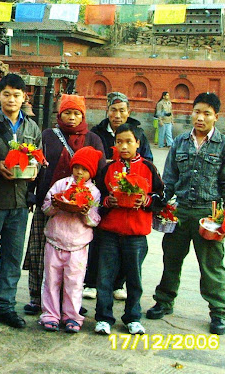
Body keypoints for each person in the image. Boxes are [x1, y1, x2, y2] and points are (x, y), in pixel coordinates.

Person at [146, 93, 225, 336]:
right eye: (197, 111)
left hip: (208, 215)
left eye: (207, 113)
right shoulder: (179, 143)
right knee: (171, 259)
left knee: (212, 266)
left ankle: (218, 312)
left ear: (216, 117)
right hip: (180, 212)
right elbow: (169, 179)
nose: (200, 117)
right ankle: (164, 301)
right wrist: (162, 204)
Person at [23, 94, 106, 316]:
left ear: (83, 116)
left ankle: (71, 301)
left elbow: (101, 172)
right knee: (41, 254)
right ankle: (36, 298)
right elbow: (37, 164)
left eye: (76, 113)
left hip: (80, 211)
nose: (71, 117)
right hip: (49, 203)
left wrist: (91, 204)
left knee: (74, 261)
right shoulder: (48, 136)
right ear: (59, 115)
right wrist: (32, 195)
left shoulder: (93, 139)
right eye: (67, 113)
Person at [0, 73, 42, 331]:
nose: (11, 99)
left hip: (19, 203)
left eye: (17, 95)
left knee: (12, 258)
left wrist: (34, 172)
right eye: (6, 94)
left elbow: (37, 160)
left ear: (25, 97)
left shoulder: (32, 128)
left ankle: (5, 305)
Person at [94, 123, 164, 336]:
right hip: (109, 233)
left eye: (128, 142)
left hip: (136, 235)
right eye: (119, 142)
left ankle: (132, 317)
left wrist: (145, 200)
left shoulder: (148, 168)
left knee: (134, 279)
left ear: (138, 144)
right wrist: (108, 202)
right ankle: (103, 317)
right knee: (104, 278)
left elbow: (160, 197)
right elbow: (97, 197)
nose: (123, 146)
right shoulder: (108, 169)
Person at [86, 91, 153, 301]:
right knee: (101, 241)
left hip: (131, 195)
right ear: (107, 111)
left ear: (128, 112)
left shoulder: (138, 133)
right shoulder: (97, 133)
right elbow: (92, 159)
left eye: (122, 110)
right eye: (113, 110)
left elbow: (147, 162)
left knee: (128, 245)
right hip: (105, 191)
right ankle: (91, 282)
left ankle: (119, 283)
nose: (117, 114)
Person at [40, 146, 102, 333]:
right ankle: (50, 315)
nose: (79, 172)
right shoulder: (61, 185)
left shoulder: (94, 192)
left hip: (78, 245)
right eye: (76, 167)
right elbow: (45, 207)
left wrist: (85, 213)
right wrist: (56, 206)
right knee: (51, 281)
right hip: (55, 241)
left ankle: (72, 316)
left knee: (74, 283)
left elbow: (95, 219)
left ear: (91, 172)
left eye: (84, 169)